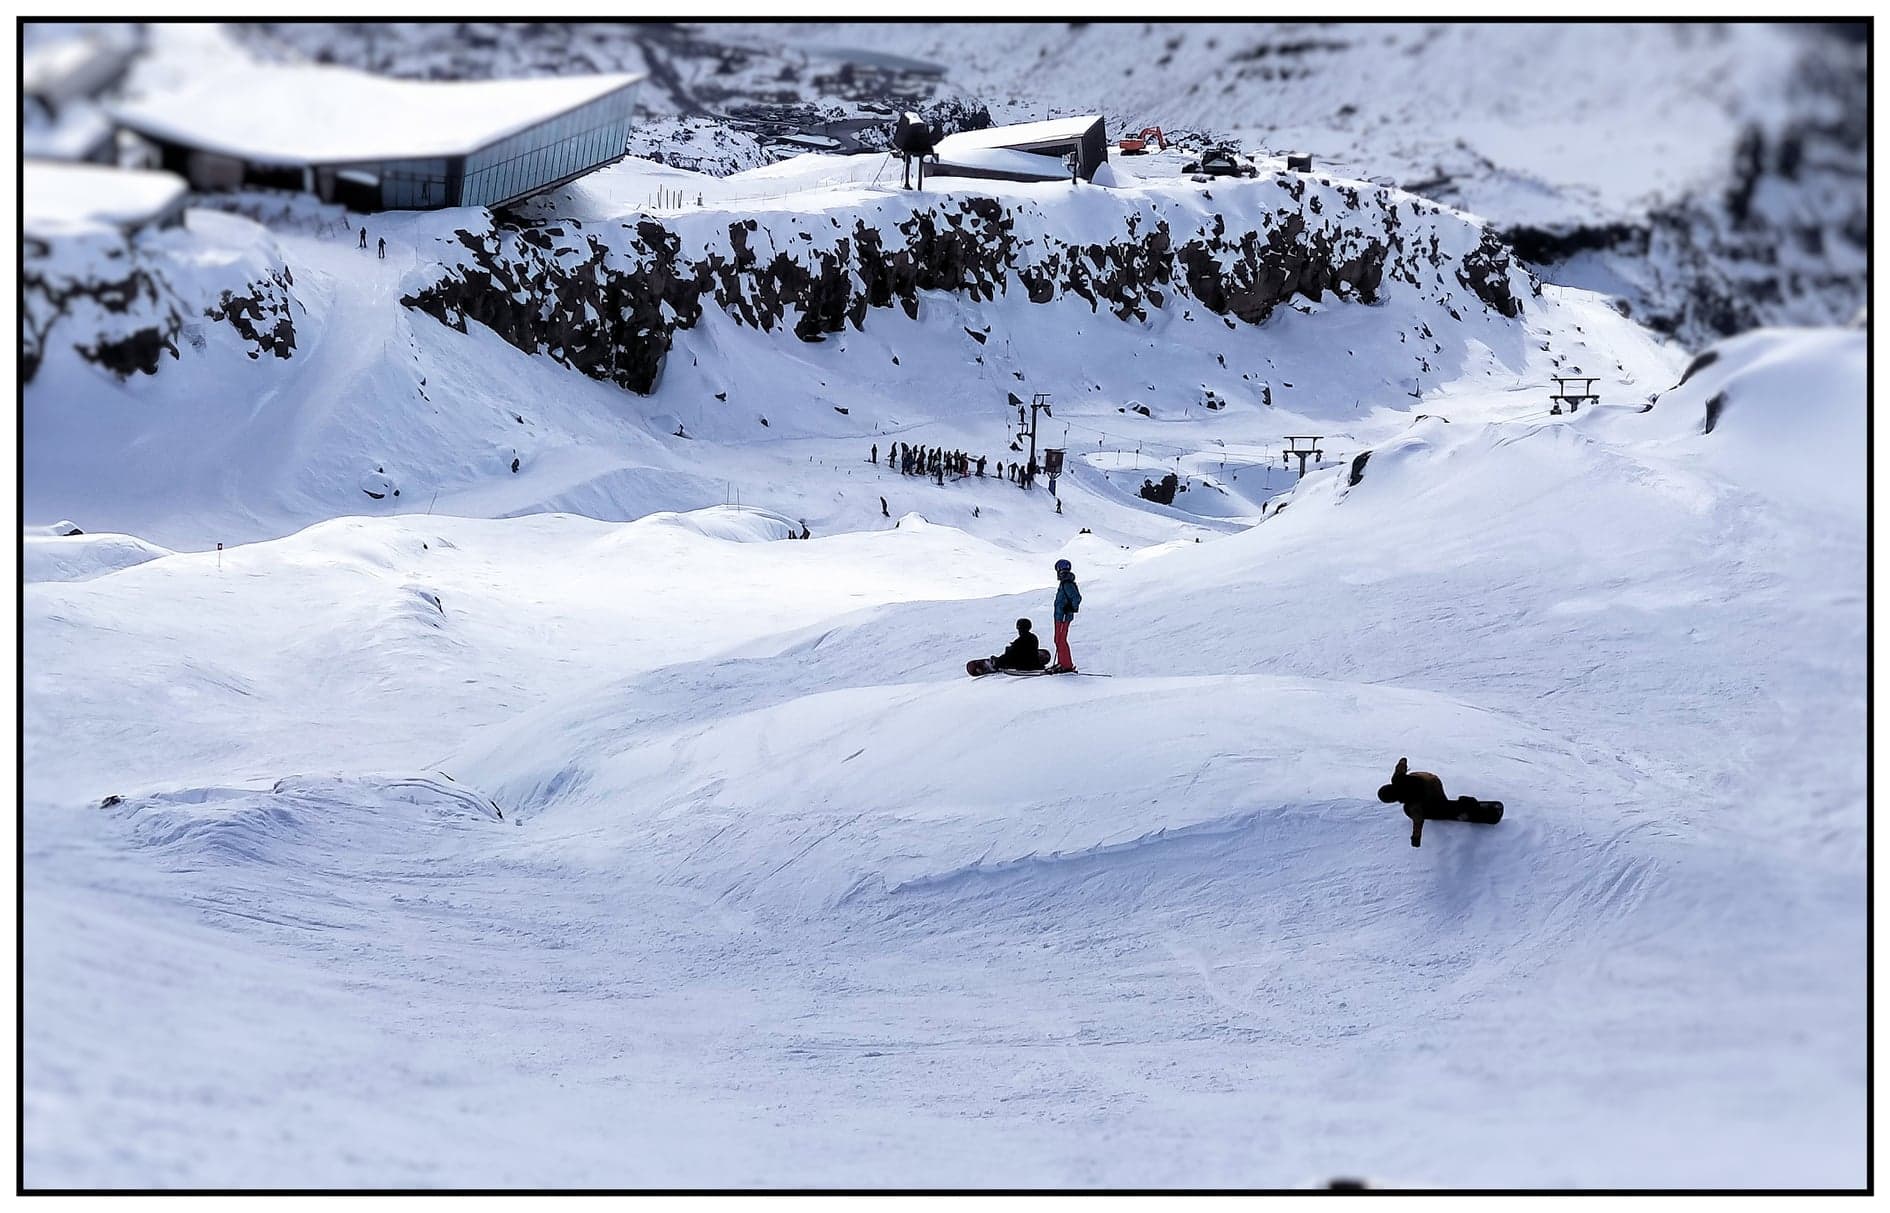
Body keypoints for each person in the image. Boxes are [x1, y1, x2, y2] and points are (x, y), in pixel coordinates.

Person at [1377, 758, 1500, 847]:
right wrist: (1402, 761)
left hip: (1431, 789)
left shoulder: (1411, 804)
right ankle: (1455, 805)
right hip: (1429, 778)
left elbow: (1418, 821)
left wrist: (1416, 838)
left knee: (1439, 808)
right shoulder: (1397, 779)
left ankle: (1472, 807)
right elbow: (1400, 768)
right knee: (1434, 804)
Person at [1049, 558, 1081, 672]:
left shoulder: (1067, 583)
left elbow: (1076, 597)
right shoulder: (1065, 583)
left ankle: (1066, 665)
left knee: (1060, 640)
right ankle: (1062, 663)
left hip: (1063, 617)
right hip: (1059, 616)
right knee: (1058, 639)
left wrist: (1071, 608)